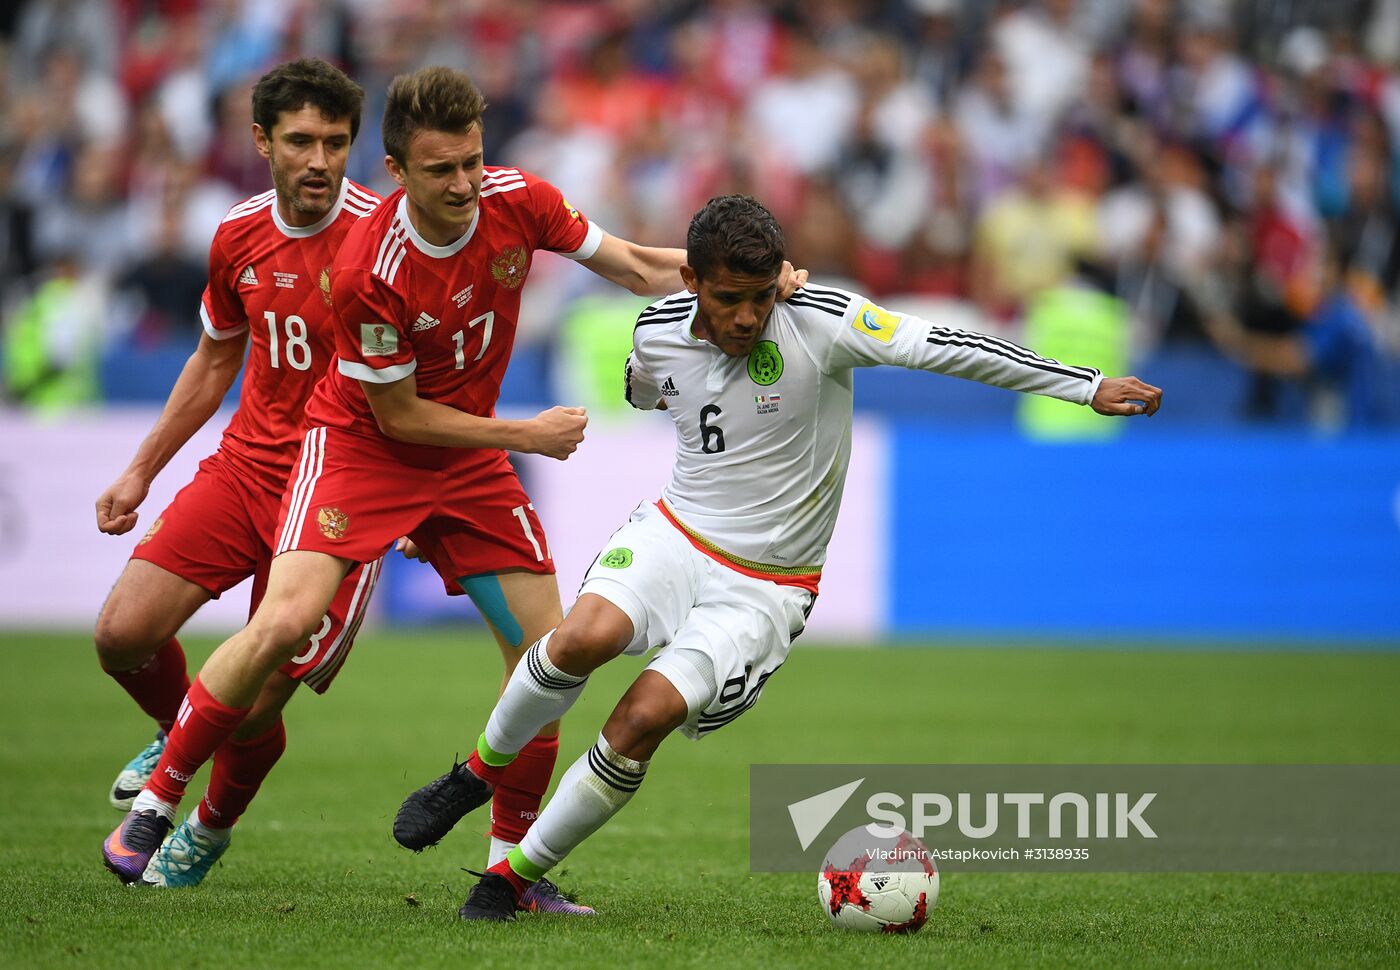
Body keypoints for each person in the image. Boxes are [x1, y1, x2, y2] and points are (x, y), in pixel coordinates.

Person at [102, 69, 804, 912]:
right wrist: (524, 434)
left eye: (473, 161)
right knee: (281, 621)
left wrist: (736, 281)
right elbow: (397, 416)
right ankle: (158, 803)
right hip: (363, 449)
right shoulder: (370, 268)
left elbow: (629, 264)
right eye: (442, 171)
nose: (467, 185)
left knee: (550, 659)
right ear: (397, 173)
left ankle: (511, 874)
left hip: (465, 464)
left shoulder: (520, 200)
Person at [394, 194, 1163, 922]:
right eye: (729, 298)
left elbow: (949, 350)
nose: (749, 315)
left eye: (762, 295)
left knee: (644, 716)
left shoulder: (822, 320)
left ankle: (511, 880)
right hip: (675, 531)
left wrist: (1084, 386)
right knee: (578, 638)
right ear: (690, 281)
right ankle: (474, 775)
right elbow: (645, 386)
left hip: (766, 584)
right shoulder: (658, 328)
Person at [95, 58, 385, 888]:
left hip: (339, 491)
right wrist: (140, 471)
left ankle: (208, 829)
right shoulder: (236, 233)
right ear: (262, 142)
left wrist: (418, 501)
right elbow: (216, 358)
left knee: (256, 700)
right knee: (121, 634)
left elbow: (426, 379)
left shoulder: (384, 236)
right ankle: (180, 720)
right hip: (247, 467)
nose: (320, 160)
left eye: (336, 142)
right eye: (301, 140)